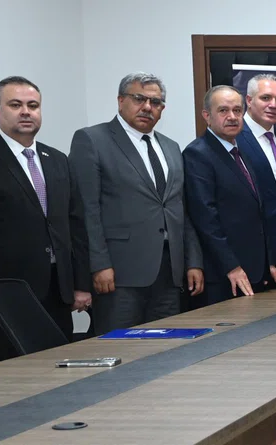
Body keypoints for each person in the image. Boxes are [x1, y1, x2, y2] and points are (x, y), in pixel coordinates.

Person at [0, 76, 92, 366]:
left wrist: (80, 284)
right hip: (4, 294)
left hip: (57, 290)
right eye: (15, 105)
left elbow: (75, 226)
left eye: (33, 105)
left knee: (57, 369)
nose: (26, 112)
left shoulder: (58, 159)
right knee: (8, 374)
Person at [68, 72, 203, 334]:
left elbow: (181, 210)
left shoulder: (171, 147)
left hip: (169, 273)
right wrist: (98, 265)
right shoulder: (92, 140)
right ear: (121, 101)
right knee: (122, 347)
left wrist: (193, 261)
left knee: (167, 348)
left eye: (156, 102)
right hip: (119, 274)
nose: (147, 107)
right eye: (139, 99)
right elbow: (87, 210)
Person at [184, 85, 276, 307]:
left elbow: (256, 213)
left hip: (254, 271)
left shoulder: (240, 151)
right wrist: (231, 266)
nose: (232, 117)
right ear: (207, 116)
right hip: (224, 275)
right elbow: (206, 219)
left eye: (237, 110)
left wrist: (267, 263)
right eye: (223, 110)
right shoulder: (198, 154)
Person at [236, 73, 276, 285]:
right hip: (250, 256)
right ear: (249, 100)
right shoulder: (234, 139)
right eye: (266, 98)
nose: (273, 105)